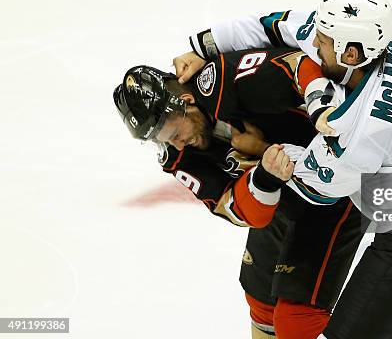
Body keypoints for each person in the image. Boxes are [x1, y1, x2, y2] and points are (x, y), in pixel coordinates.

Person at [173, 0, 392, 338]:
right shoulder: (384, 50)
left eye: (322, 43)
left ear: (350, 53)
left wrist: (265, 149)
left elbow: (320, 188)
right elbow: (274, 25)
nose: (314, 46)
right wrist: (201, 47)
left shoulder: (361, 128)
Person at [113, 46, 365, 339]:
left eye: (173, 134)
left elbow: (299, 63)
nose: (178, 145)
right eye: (163, 141)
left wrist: (324, 110)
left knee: (294, 318)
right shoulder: (178, 155)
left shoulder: (226, 81)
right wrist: (263, 174)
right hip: (285, 193)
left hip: (338, 185)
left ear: (185, 101)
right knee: (260, 300)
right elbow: (234, 208)